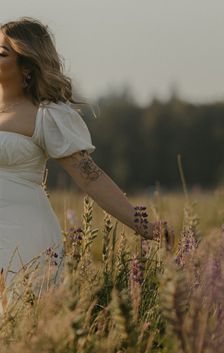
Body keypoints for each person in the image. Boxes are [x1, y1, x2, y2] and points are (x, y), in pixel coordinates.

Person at [0, 17, 159, 311]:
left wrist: (144, 224)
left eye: (2, 52)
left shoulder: (44, 116)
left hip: (23, 237)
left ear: (27, 67)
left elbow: (90, 177)